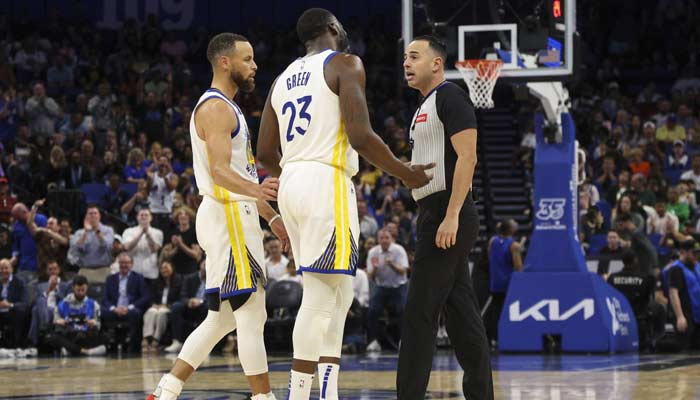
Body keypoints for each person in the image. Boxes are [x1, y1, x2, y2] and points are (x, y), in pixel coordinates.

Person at [257, 8, 432, 399]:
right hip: (325, 180)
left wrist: (295, 174)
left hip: (292, 180)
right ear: (333, 28)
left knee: (342, 291)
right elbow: (361, 135)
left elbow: (265, 152)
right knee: (320, 297)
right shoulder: (345, 63)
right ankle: (300, 394)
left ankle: (329, 391)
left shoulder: (282, 79)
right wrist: (403, 172)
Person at [149, 33, 288, 400]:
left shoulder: (228, 106)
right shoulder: (216, 108)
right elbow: (222, 172)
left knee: (223, 318)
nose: (254, 65)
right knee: (252, 316)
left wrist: (272, 219)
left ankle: (166, 390)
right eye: (247, 58)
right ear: (225, 62)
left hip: (229, 213)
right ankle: (264, 398)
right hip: (228, 216)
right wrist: (258, 191)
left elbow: (238, 177)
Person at [398, 35, 493, 400]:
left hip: (447, 212)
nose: (406, 63)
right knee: (461, 316)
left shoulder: (451, 96)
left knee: (419, 314)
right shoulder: (423, 106)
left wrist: (451, 215)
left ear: (436, 63)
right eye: (405, 57)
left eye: (415, 57)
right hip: (432, 211)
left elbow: (467, 158)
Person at [365, 229, 408, 352]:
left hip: (398, 286)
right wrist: (375, 269)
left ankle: (403, 340)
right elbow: (370, 276)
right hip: (382, 287)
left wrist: (391, 264)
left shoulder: (398, 250)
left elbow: (404, 271)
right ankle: (373, 341)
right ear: (378, 240)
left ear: (391, 238)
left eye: (386, 238)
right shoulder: (373, 252)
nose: (384, 240)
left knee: (403, 310)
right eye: (381, 238)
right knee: (372, 310)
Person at [483, 219, 523, 345]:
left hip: (495, 281)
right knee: (507, 311)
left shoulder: (492, 241)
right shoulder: (514, 246)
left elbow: (490, 258)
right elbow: (518, 267)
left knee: (495, 310)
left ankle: (492, 337)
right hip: (508, 283)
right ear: (511, 230)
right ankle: (506, 338)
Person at [102, 252, 150, 353]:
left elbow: (145, 297)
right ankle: (109, 345)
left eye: (126, 263)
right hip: (115, 309)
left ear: (131, 264)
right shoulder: (110, 279)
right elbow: (105, 298)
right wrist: (114, 308)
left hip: (130, 309)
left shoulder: (138, 278)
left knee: (136, 313)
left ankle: (132, 346)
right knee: (102, 312)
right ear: (118, 264)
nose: (124, 265)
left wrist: (129, 307)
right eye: (121, 262)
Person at [608, 252, 658, 349]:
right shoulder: (645, 278)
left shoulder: (612, 278)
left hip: (619, 318)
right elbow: (649, 297)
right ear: (635, 261)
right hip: (638, 318)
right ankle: (654, 341)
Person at [50, 275, 107, 356]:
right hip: (70, 334)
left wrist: (94, 323)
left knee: (105, 337)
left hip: (85, 335)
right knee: (54, 337)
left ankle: (70, 350)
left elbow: (98, 325)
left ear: (87, 288)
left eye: (83, 290)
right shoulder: (63, 303)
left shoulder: (93, 304)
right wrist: (58, 321)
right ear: (73, 288)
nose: (80, 293)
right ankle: (85, 351)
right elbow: (55, 321)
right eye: (78, 290)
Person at [661, 240, 700, 351]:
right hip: (686, 313)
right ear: (683, 252)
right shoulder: (676, 269)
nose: (697, 256)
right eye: (694, 253)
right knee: (684, 346)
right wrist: (680, 317)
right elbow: (673, 293)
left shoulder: (697, 266)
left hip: (697, 313)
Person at [165, 258, 207, 354]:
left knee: (209, 308)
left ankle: (203, 344)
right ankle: (177, 341)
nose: (206, 267)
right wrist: (189, 301)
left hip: (204, 306)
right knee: (176, 306)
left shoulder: (215, 279)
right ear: (200, 265)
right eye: (205, 264)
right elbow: (182, 295)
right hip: (190, 305)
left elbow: (215, 297)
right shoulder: (190, 278)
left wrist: (201, 302)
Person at [28, 260, 71, 345]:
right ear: (47, 271)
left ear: (59, 270)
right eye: (50, 269)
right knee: (39, 302)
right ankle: (45, 327)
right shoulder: (40, 286)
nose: (53, 271)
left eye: (55, 269)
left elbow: (68, 302)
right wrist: (48, 291)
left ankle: (33, 341)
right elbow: (33, 302)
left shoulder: (65, 285)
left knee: (36, 310)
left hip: (57, 310)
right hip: (43, 309)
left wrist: (56, 290)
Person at [69, 205, 115, 283]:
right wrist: (86, 232)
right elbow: (76, 249)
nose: (93, 215)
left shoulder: (108, 230)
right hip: (85, 270)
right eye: (90, 213)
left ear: (99, 216)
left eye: (95, 213)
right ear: (86, 216)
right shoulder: (79, 232)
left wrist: (97, 230)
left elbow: (107, 246)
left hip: (103, 270)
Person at [142, 260, 182, 352]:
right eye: (162, 268)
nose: (164, 270)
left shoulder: (179, 281)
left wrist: (167, 306)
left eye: (166, 267)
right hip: (157, 307)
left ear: (172, 268)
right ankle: (147, 338)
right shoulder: (156, 282)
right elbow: (151, 297)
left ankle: (156, 339)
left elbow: (180, 298)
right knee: (151, 312)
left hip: (169, 307)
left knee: (161, 313)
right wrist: (153, 304)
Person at [122, 209, 163, 283]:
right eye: (141, 215)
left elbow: (154, 249)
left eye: (146, 215)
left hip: (151, 273)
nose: (144, 217)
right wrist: (140, 234)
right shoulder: (128, 231)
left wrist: (148, 235)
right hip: (133, 272)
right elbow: (127, 247)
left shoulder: (158, 232)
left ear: (151, 218)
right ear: (137, 217)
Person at [10, 202, 47, 283]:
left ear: (25, 212)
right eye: (16, 218)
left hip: (38, 265)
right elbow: (16, 246)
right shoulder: (17, 225)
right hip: (23, 266)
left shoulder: (41, 219)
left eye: (19, 218)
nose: (18, 220)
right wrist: (14, 256)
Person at [0, 259, 29, 348]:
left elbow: (25, 303)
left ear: (11, 269)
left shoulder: (20, 282)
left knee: (20, 312)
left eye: (6, 268)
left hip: (12, 311)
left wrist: (10, 305)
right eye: (1, 268)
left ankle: (16, 344)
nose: (4, 271)